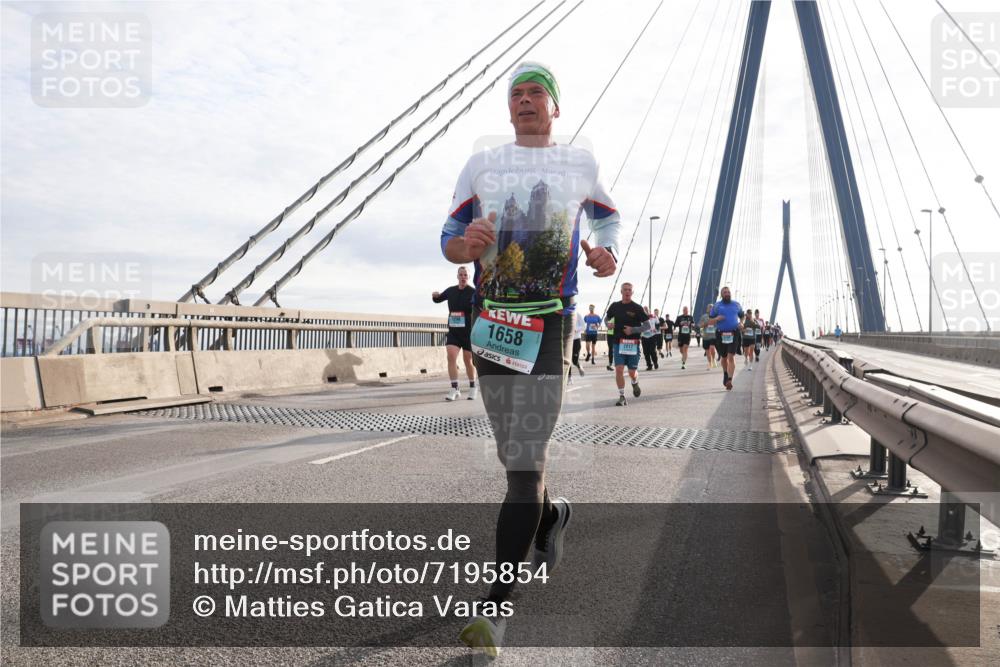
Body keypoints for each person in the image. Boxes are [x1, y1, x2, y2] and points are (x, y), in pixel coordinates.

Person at [439, 61, 621, 656]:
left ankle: (494, 613)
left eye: (535, 94)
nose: (524, 102)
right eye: (515, 94)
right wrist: (463, 246)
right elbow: (448, 234)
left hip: (548, 322)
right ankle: (550, 518)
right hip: (493, 326)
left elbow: (608, 217)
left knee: (524, 463)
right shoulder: (482, 167)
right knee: (513, 458)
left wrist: (605, 254)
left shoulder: (577, 166)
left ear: (554, 107)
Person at [432, 267, 477, 400]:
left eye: (465, 275)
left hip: (468, 332)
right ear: (457, 276)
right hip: (454, 332)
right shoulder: (451, 290)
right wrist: (435, 296)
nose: (463, 277)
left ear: (468, 277)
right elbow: (439, 299)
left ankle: (473, 386)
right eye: (461, 275)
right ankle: (454, 388)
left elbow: (481, 306)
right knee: (451, 356)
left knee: (468, 360)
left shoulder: (473, 293)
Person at [606, 283, 646, 405]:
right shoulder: (615, 306)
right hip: (618, 342)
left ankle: (634, 382)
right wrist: (608, 324)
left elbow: (647, 326)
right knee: (619, 369)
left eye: (629, 290)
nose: (627, 292)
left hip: (633, 344)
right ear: (621, 291)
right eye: (625, 290)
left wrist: (633, 330)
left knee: (632, 372)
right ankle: (622, 396)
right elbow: (607, 318)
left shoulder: (637, 308)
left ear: (632, 292)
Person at [706, 286, 743, 391]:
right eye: (725, 292)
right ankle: (725, 373)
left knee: (731, 357)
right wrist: (717, 318)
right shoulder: (717, 306)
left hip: (733, 333)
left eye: (728, 292)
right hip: (720, 334)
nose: (727, 293)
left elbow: (742, 316)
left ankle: (730, 380)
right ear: (721, 295)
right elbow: (710, 320)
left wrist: (741, 323)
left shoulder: (736, 304)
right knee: (724, 357)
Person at [674, 306, 695, 370]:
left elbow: (693, 324)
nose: (685, 311)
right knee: (681, 350)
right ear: (683, 311)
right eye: (684, 310)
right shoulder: (679, 317)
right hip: (681, 335)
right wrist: (678, 324)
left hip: (687, 335)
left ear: (688, 310)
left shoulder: (690, 317)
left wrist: (692, 325)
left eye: (686, 309)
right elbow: (675, 324)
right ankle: (684, 356)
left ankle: (683, 363)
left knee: (685, 349)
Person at [569, 308, 585, 382]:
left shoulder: (576, 314)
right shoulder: (563, 315)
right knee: (568, 359)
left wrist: (576, 329)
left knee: (574, 360)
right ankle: (569, 377)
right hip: (567, 340)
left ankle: (579, 366)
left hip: (576, 339)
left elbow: (583, 326)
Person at [698, 303, 717, 369]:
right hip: (706, 336)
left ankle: (714, 359)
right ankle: (709, 363)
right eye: (709, 307)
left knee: (712, 348)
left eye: (712, 308)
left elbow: (720, 325)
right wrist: (705, 323)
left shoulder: (716, 316)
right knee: (707, 351)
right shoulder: (704, 316)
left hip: (713, 336)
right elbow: (699, 325)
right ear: (707, 309)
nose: (710, 309)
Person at [641, 306, 659, 371]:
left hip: (652, 336)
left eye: (646, 310)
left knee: (652, 351)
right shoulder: (640, 317)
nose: (645, 311)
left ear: (649, 310)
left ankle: (655, 362)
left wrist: (656, 330)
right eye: (644, 310)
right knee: (646, 352)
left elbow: (658, 324)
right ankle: (649, 365)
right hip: (644, 336)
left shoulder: (654, 316)